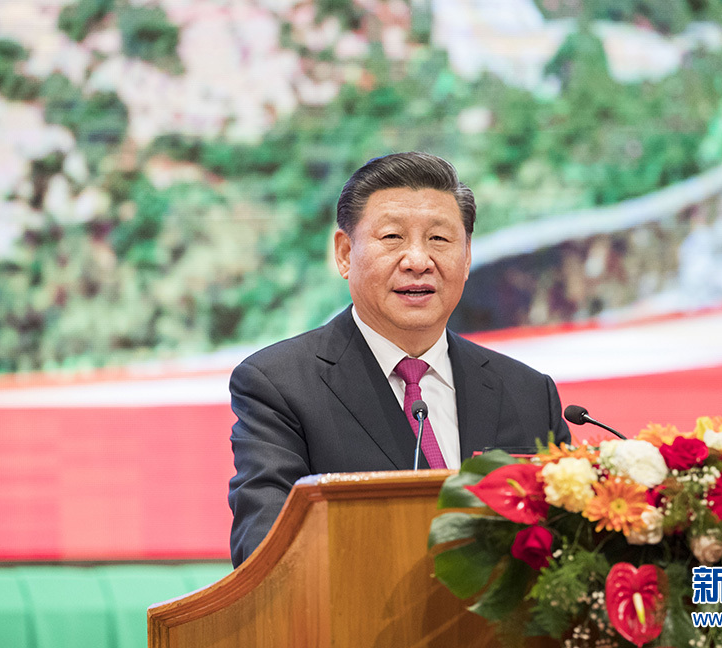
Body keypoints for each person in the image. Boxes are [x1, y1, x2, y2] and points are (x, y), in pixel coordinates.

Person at [228, 152, 570, 567]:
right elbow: (264, 552)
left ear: (466, 257)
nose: (418, 261)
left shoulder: (529, 394)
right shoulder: (279, 386)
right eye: (392, 237)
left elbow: (568, 545)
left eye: (439, 239)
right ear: (344, 254)